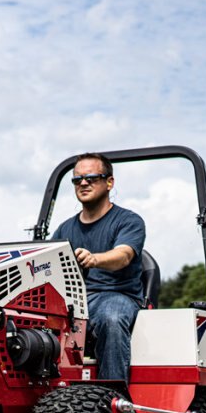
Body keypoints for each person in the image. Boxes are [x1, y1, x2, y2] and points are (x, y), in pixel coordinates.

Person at [49, 152, 146, 385]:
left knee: (111, 318)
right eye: (77, 179)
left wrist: (95, 259)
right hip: (73, 301)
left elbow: (123, 255)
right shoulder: (64, 230)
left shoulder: (128, 221)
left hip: (117, 295)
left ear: (109, 182)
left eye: (92, 178)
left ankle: (112, 400)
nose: (83, 183)